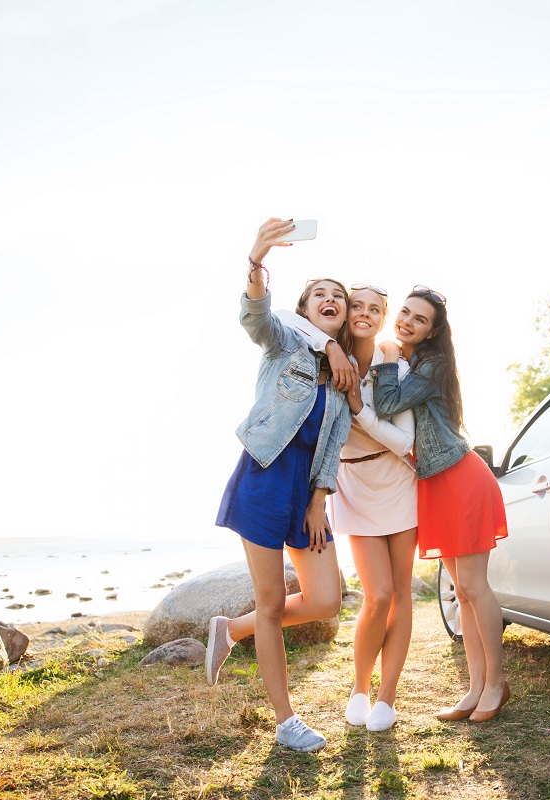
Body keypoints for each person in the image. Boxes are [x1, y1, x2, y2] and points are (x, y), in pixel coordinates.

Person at [203, 217, 352, 753]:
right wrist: (257, 260)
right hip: (265, 477)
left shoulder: (345, 372)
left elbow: (332, 444)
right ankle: (286, 722)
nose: (330, 299)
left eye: (339, 295)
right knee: (272, 602)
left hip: (306, 491)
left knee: (327, 601)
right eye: (320, 294)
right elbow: (257, 316)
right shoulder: (285, 341)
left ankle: (232, 629)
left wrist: (319, 501)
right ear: (306, 308)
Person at [279, 285, 417, 732]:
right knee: (376, 597)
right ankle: (359, 686)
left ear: (382, 318)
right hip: (352, 484)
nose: (363, 313)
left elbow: (404, 442)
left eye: (375, 309)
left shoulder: (393, 361)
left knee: (400, 596)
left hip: (397, 480)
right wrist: (332, 346)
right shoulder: (320, 352)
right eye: (357, 305)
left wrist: (359, 408)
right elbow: (282, 315)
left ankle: (387, 697)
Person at [370, 286, 510, 723]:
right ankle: (473, 688)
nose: (407, 321)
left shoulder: (431, 364)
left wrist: (389, 358)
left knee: (473, 586)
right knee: (461, 593)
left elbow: (388, 402)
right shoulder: (415, 362)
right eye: (405, 313)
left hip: (461, 478)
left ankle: (496, 683)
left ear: (431, 332)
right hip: (435, 483)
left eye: (419, 320)